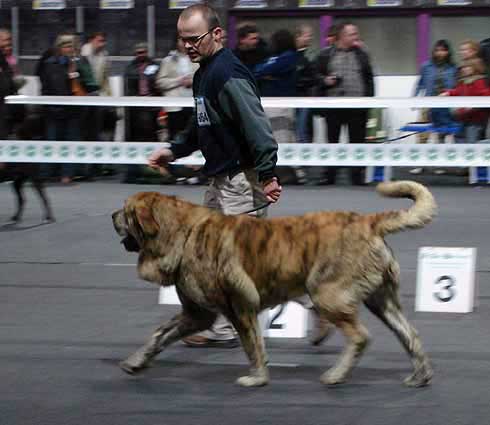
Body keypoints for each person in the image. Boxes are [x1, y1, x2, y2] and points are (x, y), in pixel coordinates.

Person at [148, 4, 281, 348]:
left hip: (242, 181)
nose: (188, 46)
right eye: (183, 40)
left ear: (218, 34)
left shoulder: (228, 74)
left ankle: (315, 302)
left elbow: (258, 127)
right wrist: (174, 150)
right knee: (210, 255)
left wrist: (267, 174)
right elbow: (200, 125)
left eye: (194, 39)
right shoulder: (205, 73)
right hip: (220, 179)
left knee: (243, 262)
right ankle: (220, 328)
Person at [316, 22, 374, 185]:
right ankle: (329, 176)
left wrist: (369, 101)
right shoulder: (326, 54)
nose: (356, 37)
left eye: (356, 34)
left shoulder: (362, 54)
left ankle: (357, 176)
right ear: (342, 36)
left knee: (357, 141)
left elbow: (369, 78)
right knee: (332, 141)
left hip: (358, 106)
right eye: (352, 34)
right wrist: (325, 80)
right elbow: (315, 75)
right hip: (333, 105)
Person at [38, 34, 98, 184]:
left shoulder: (80, 62)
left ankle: (67, 174)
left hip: (73, 110)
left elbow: (90, 83)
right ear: (59, 48)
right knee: (52, 142)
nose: (70, 49)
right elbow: (45, 85)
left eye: (72, 46)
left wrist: (76, 74)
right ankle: (47, 173)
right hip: (53, 109)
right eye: (66, 46)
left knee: (71, 142)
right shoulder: (49, 64)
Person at [411, 40, 458, 175]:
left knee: (441, 135)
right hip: (428, 103)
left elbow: (455, 87)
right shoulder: (426, 66)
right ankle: (419, 164)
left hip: (445, 104)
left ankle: (439, 164)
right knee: (422, 135)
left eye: (443, 50)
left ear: (448, 52)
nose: (440, 53)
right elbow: (420, 84)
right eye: (437, 50)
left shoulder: (453, 68)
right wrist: (414, 100)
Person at [123, 42, 160, 183]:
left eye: (143, 52)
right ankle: (133, 172)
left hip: (152, 108)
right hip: (135, 109)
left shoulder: (155, 66)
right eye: (139, 52)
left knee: (152, 139)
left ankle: (152, 171)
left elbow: (158, 85)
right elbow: (128, 88)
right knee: (134, 140)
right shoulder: (130, 68)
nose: (141, 54)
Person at [156, 35, 199, 141]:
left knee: (194, 137)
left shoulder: (197, 58)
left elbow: (203, 78)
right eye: (182, 40)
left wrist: (192, 81)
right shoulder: (168, 61)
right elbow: (160, 82)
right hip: (174, 106)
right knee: (175, 136)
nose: (185, 43)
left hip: (193, 105)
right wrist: (179, 81)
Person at [440, 58, 490, 144]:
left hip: (475, 120)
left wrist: (472, 106)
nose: (464, 69)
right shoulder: (463, 82)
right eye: (463, 67)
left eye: (468, 67)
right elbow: (457, 91)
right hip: (463, 118)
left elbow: (486, 95)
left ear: (475, 67)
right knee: (459, 138)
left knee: (471, 142)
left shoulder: (479, 81)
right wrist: (448, 93)